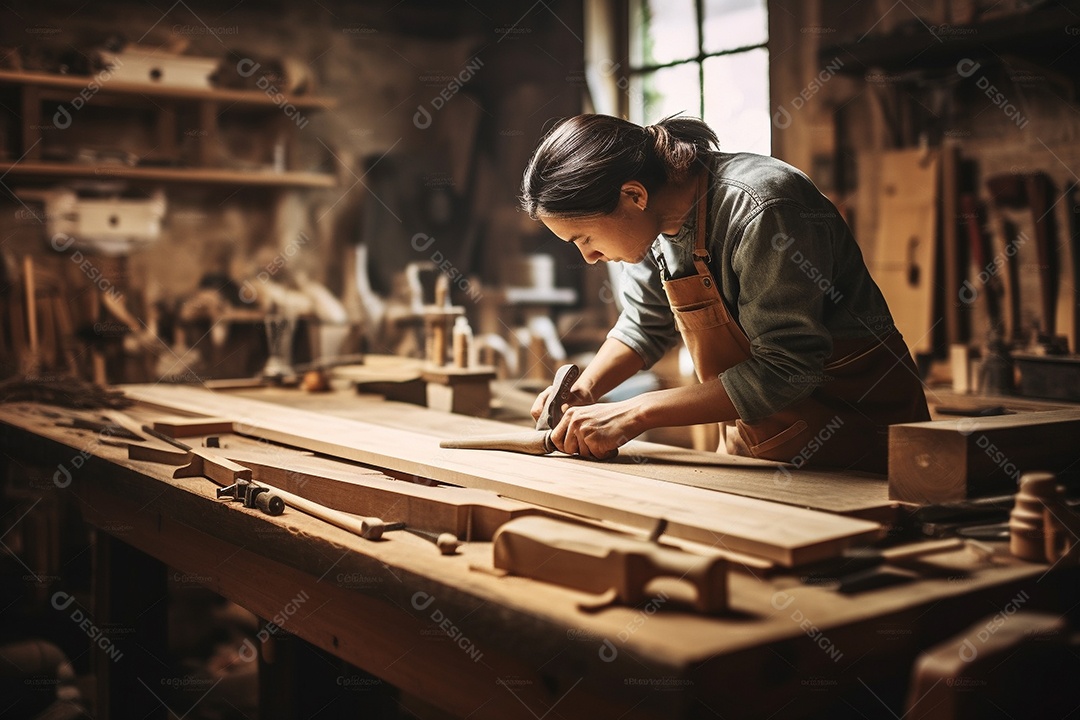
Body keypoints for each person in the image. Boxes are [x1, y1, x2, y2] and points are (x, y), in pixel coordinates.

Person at [520, 114, 929, 473]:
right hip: (760, 444)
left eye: (584, 237)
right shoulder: (652, 225)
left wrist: (635, 412)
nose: (588, 257)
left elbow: (790, 367)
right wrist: (586, 389)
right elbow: (644, 324)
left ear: (633, 196)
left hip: (856, 444)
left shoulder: (763, 209)